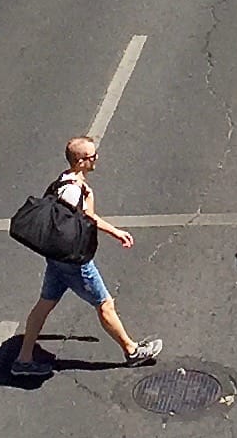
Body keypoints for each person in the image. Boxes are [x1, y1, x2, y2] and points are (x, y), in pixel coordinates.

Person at [13, 137, 162, 372]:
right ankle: (132, 351)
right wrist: (115, 232)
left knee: (44, 305)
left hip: (57, 259)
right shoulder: (73, 190)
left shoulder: (62, 180)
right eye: (92, 156)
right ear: (81, 161)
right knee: (105, 304)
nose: (96, 159)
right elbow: (83, 219)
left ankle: (23, 359)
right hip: (74, 261)